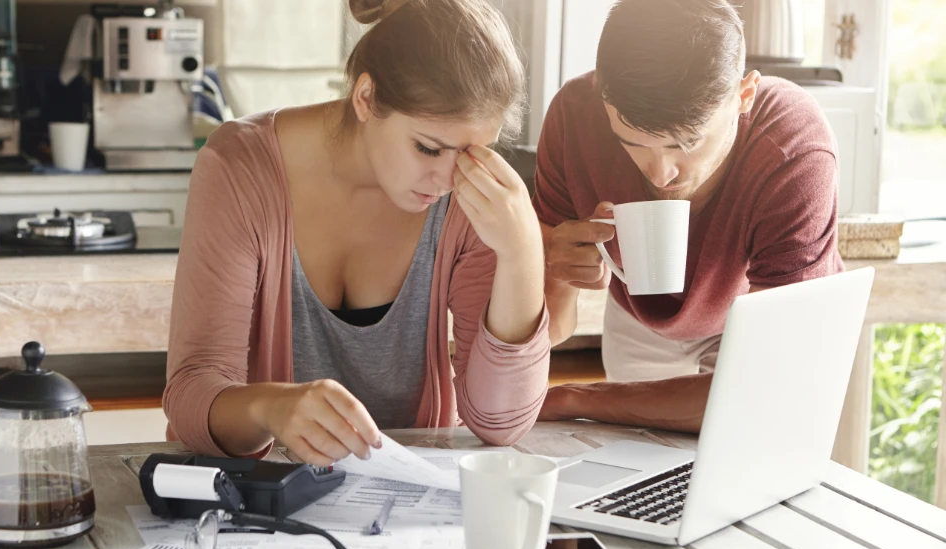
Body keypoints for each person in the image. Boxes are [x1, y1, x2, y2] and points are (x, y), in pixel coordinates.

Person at [163, 0, 550, 465]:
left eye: (470, 154)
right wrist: (272, 408)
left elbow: (500, 423)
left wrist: (523, 253)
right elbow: (190, 393)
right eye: (428, 148)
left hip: (412, 513)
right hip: (257, 507)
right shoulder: (240, 167)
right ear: (365, 98)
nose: (448, 182)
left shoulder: (469, 196)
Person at [535, 0, 843, 432]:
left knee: (753, 447)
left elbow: (766, 387)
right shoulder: (574, 115)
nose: (661, 174)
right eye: (633, 142)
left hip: (754, 313)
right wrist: (555, 269)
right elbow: (554, 325)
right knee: (642, 470)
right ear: (601, 89)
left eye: (686, 142)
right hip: (639, 315)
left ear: (743, 96)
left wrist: (575, 397)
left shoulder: (793, 149)